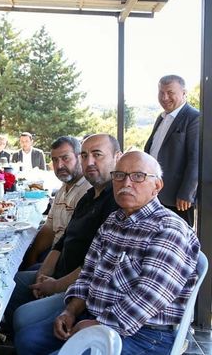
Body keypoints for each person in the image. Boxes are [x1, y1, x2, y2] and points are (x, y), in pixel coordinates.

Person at [18, 151, 200, 355]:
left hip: (144, 334)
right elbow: (88, 275)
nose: (126, 183)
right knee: (28, 340)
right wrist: (70, 311)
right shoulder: (113, 221)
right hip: (96, 314)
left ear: (157, 186)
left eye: (138, 176)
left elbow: (149, 297)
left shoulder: (168, 229)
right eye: (119, 175)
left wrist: (97, 324)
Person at [5, 134, 121, 340]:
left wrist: (55, 286)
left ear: (117, 158)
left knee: (22, 319)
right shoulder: (88, 196)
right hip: (60, 273)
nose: (90, 162)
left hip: (78, 287)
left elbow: (95, 266)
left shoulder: (115, 202)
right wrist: (43, 273)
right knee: (7, 283)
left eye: (97, 155)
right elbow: (60, 241)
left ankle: (17, 339)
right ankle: (4, 338)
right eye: (85, 156)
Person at [21, 136, 91, 270]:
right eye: (54, 160)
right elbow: (49, 228)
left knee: (15, 283)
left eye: (65, 158)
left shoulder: (87, 191)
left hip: (66, 262)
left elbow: (77, 247)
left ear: (80, 157)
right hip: (52, 253)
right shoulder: (63, 188)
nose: (59, 165)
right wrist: (32, 256)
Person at [144, 75, 199, 226]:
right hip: (153, 194)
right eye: (161, 92)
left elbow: (196, 159)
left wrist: (187, 194)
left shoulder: (194, 117)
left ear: (184, 93)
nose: (164, 97)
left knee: (178, 240)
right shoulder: (160, 118)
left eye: (170, 92)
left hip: (177, 198)